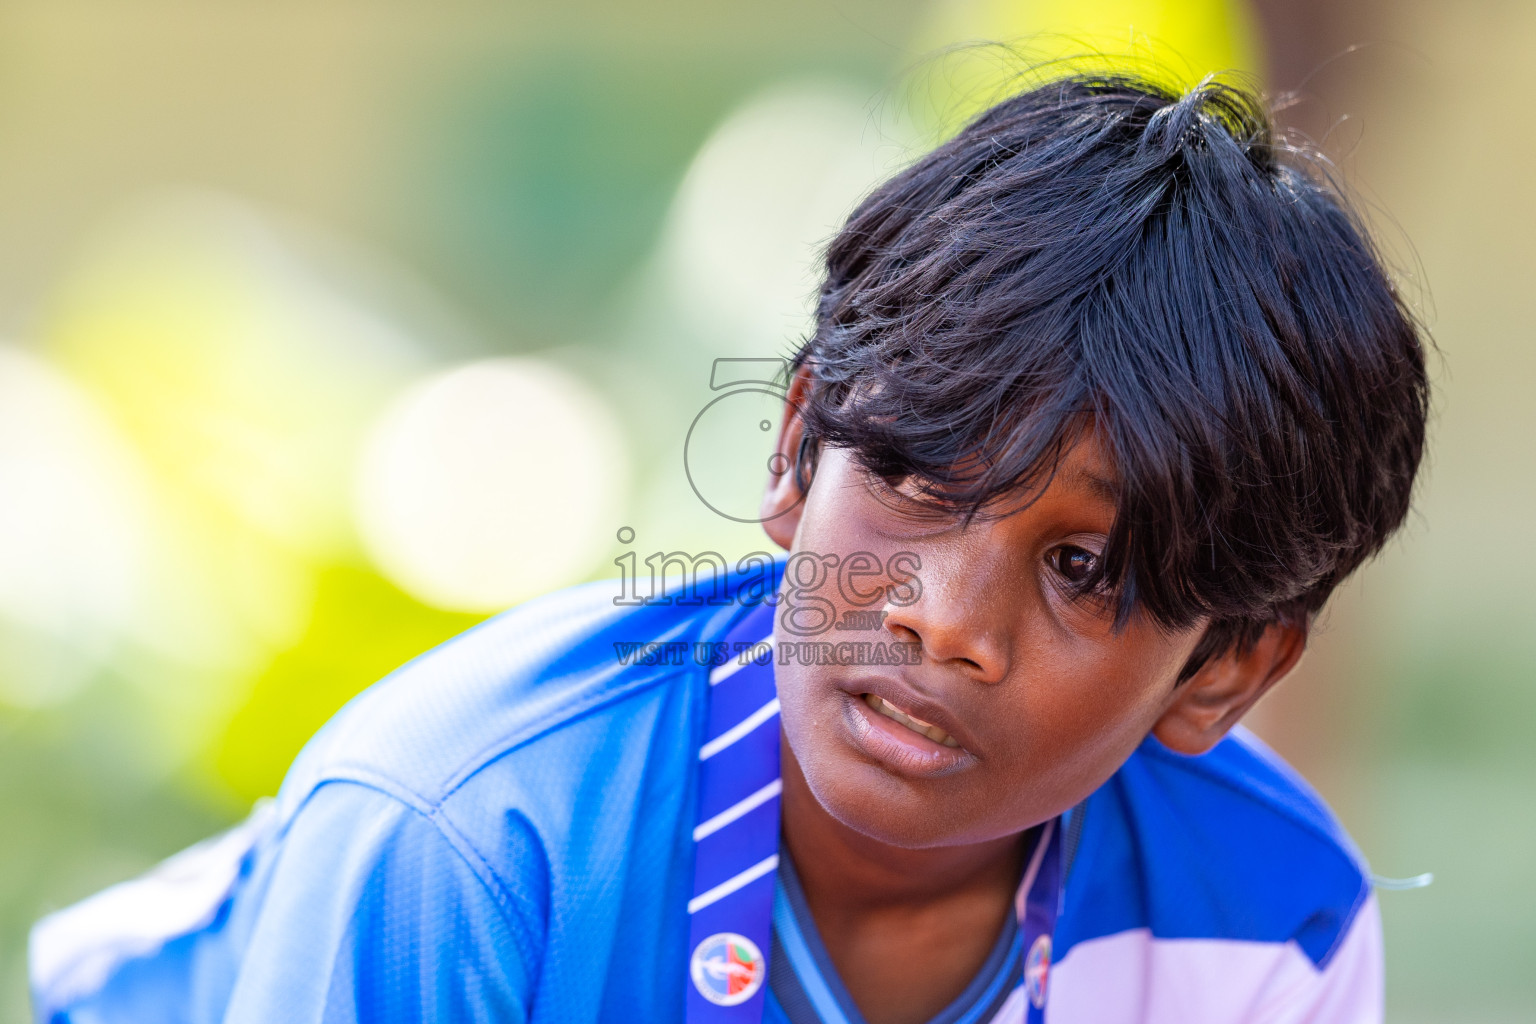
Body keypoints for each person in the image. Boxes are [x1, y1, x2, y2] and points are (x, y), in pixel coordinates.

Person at [30, 71, 1428, 1024]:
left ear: (1228, 669)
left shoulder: (1271, 920)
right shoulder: (469, 844)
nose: (944, 622)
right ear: (794, 450)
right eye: (917, 480)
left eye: (1083, 570)